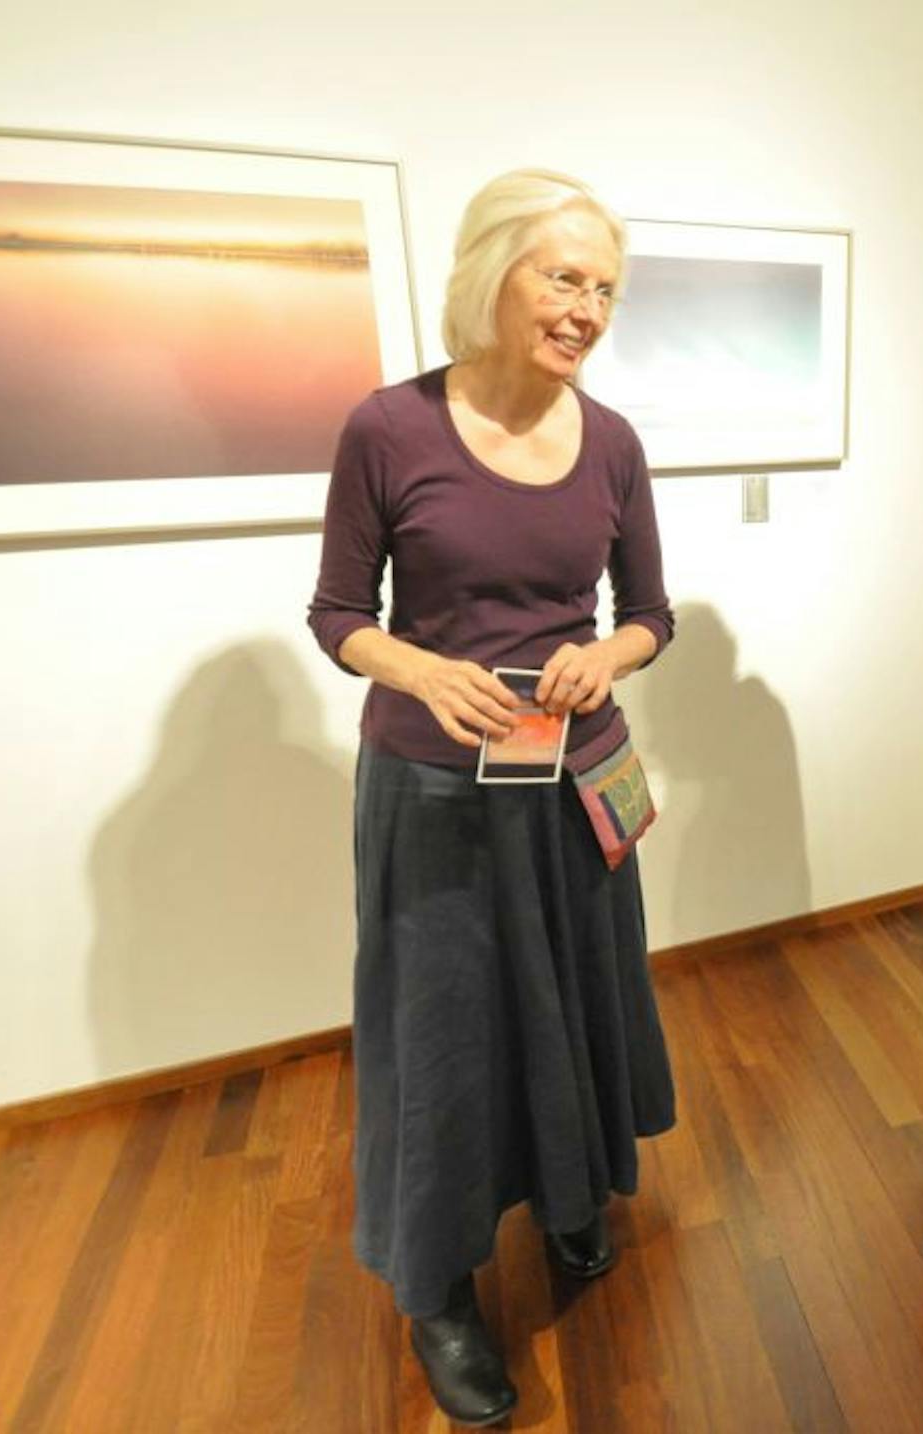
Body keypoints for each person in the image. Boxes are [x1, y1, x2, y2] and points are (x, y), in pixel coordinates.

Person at [307, 168, 675, 1427]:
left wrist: (604, 657)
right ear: (494, 273)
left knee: (571, 1006)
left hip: (573, 780)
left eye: (605, 289)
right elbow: (339, 615)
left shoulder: (613, 441)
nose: (586, 309)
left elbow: (653, 617)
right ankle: (438, 1290)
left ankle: (571, 1198)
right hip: (433, 791)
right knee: (447, 1040)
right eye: (563, 276)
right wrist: (420, 668)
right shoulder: (388, 429)